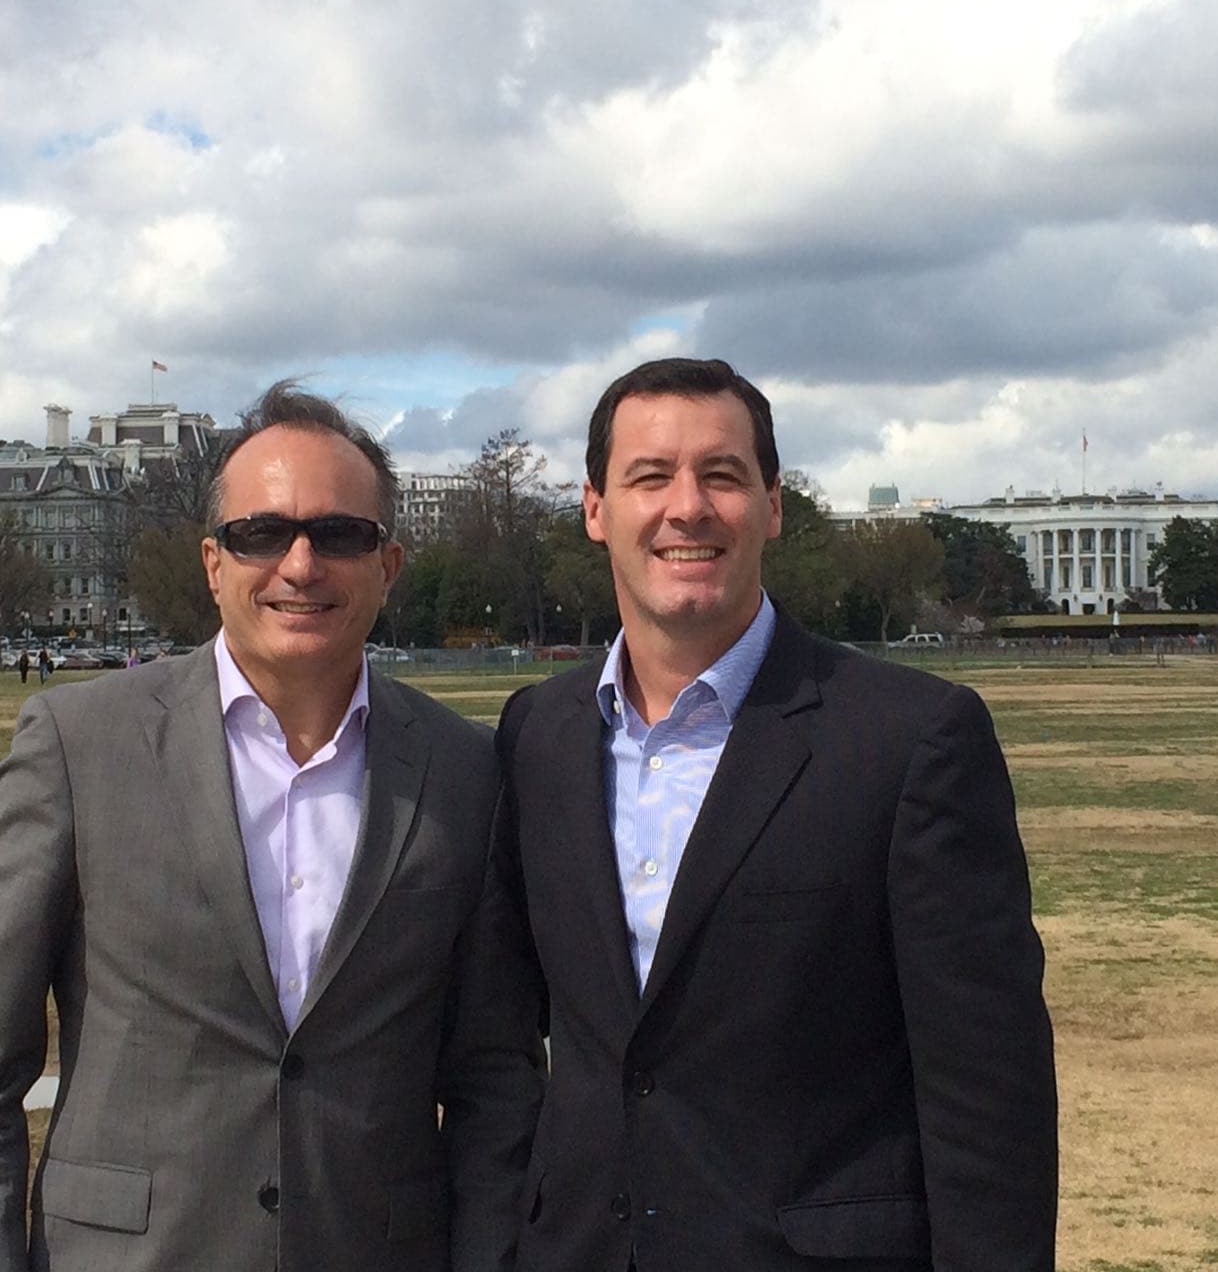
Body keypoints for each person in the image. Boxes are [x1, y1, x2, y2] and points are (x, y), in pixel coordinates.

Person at [495, 358, 1057, 1271]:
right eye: (650, 477)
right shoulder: (537, 736)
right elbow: (508, 1043)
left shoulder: (911, 740)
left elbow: (988, 1098)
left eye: (722, 475)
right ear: (595, 509)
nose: (688, 507)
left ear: (773, 505)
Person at [0, 382, 545, 1272]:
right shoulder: (78, 745)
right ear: (213, 562)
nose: (300, 565)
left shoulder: (465, 770)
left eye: (339, 534)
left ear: (389, 565)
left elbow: (495, 1081)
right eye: (263, 533)